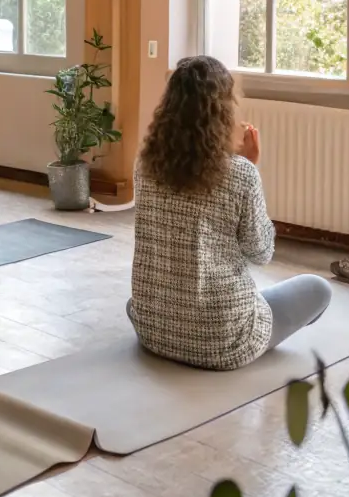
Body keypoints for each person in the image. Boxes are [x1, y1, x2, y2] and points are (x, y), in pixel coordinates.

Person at [128, 55, 332, 371]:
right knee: (319, 289)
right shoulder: (239, 173)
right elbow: (261, 252)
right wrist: (249, 165)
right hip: (221, 340)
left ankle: (206, 314)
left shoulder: (144, 166)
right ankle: (232, 317)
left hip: (153, 330)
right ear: (223, 111)